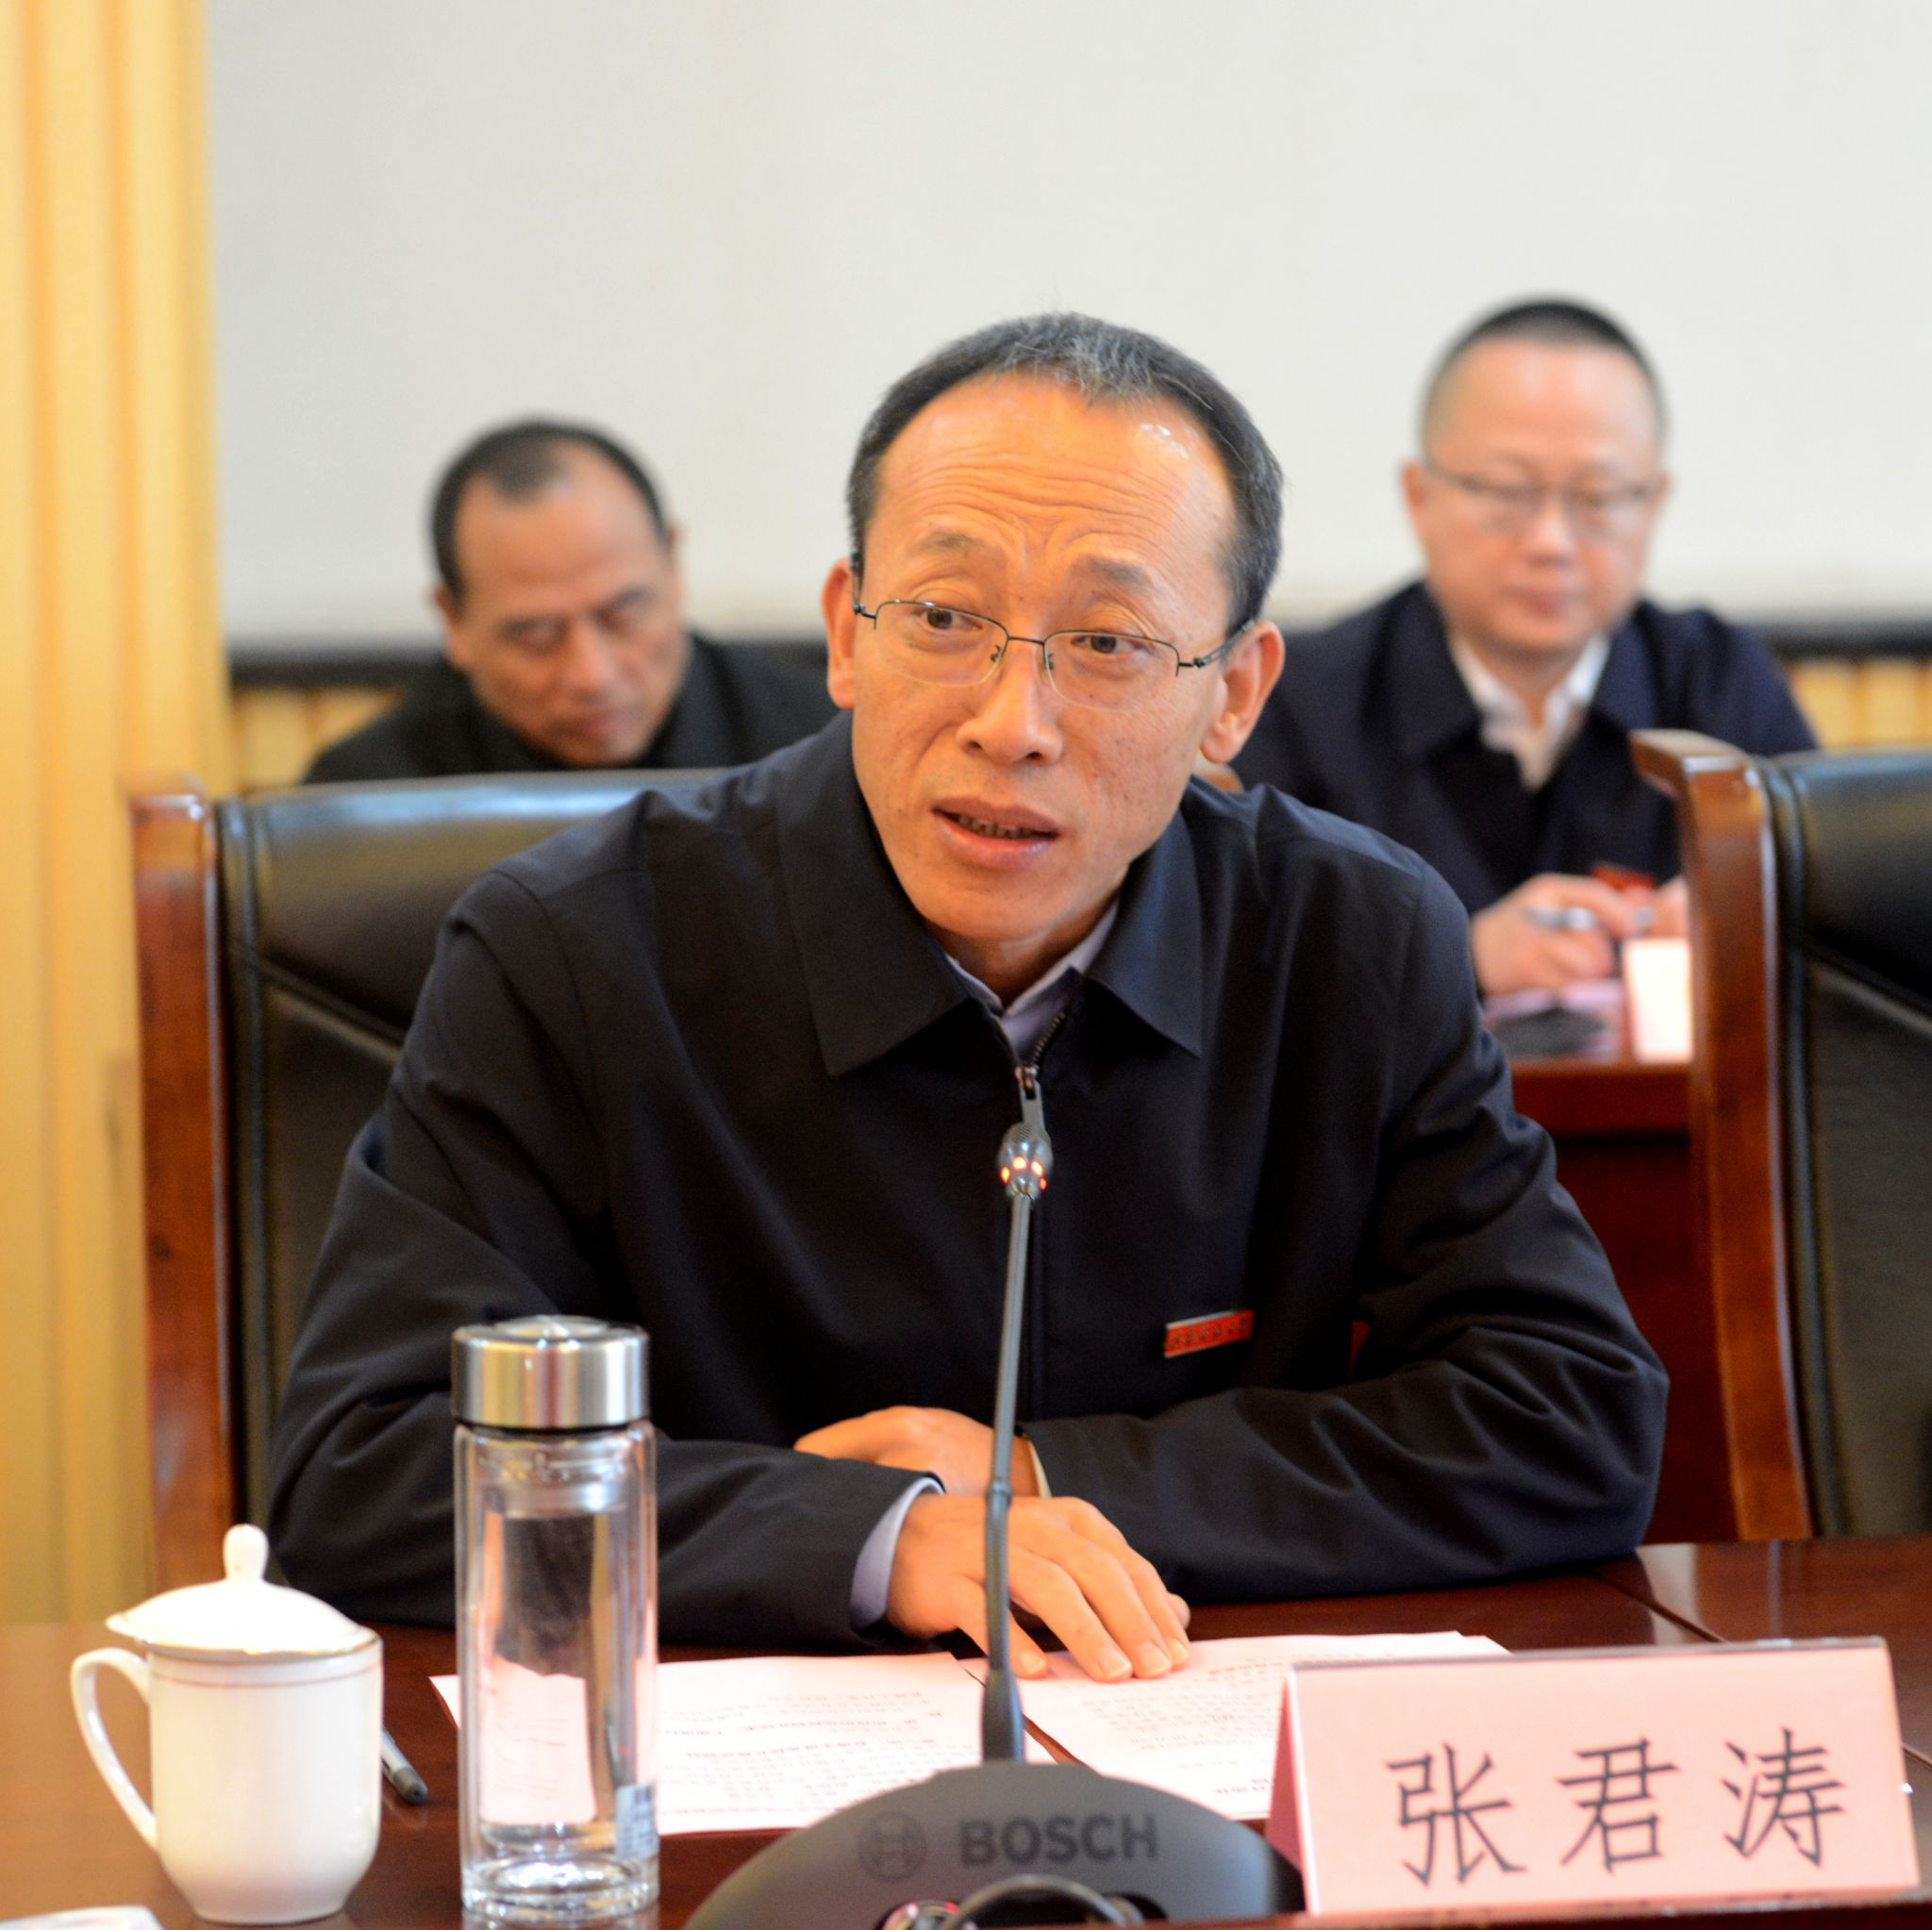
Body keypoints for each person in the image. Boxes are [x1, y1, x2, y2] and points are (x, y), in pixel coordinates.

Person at [270, 314, 1666, 1683]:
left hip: (1167, 1736)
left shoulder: (1347, 941)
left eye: (1108, 642)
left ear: (1234, 695)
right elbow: (364, 1468)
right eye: (943, 618)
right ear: (845, 634)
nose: (1012, 722)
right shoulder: (573, 953)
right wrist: (876, 1537)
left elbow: (1570, 1417)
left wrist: (1040, 1480)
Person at [1233, 300, 1815, 996]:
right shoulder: (1302, 703)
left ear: (1653, 503)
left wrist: (1752, 921)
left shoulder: (1721, 682)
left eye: (1599, 496)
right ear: (1419, 497)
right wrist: (1455, 958)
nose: (1551, 542)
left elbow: (1831, 913)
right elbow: (1242, 961)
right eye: (1507, 491)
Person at [303, 420, 833, 781]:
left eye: (622, 616)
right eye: (536, 636)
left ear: (673, 566)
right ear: (453, 622)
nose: (592, 676)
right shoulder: (368, 800)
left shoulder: (820, 752)